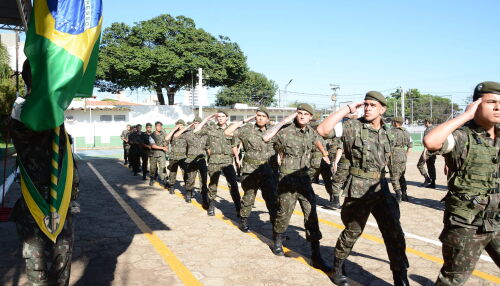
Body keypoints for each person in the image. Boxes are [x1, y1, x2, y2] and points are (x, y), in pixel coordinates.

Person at [317, 91, 409, 286]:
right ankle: (338, 267)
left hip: (381, 189)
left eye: (372, 105)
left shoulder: (390, 132)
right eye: (365, 104)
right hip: (358, 188)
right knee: (352, 231)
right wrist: (347, 109)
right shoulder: (352, 127)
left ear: (383, 109)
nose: (367, 108)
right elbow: (323, 130)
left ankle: (400, 276)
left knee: (395, 233)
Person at [8, 59, 79, 285]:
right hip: (34, 203)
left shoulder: (53, 112)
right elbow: (31, 128)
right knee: (37, 270)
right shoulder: (22, 110)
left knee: (62, 264)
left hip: (60, 203)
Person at [423, 81, 500, 286]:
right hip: (467, 223)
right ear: (476, 105)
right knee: (452, 279)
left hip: (497, 220)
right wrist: (466, 115)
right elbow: (432, 142)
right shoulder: (462, 135)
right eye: (491, 102)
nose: (498, 107)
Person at [263, 104, 331, 272]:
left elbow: (317, 141)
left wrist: (325, 154)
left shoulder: (311, 132)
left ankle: (316, 255)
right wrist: (284, 121)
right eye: (299, 113)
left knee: (311, 216)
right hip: (287, 179)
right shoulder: (286, 131)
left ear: (310, 118)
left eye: (305, 114)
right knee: (283, 213)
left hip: (304, 181)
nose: (301, 116)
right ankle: (277, 241)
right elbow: (266, 137)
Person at [224, 106, 278, 232]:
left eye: (263, 116)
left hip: (267, 170)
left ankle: (276, 225)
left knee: (271, 198)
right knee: (249, 196)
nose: (260, 118)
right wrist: (244, 121)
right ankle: (243, 220)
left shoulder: (272, 131)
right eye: (258, 115)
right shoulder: (247, 129)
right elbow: (227, 132)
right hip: (250, 170)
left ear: (268, 119)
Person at [193, 111, 241, 217]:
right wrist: (206, 120)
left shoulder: (231, 129)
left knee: (233, 185)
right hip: (214, 160)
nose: (220, 118)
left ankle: (238, 208)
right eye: (218, 116)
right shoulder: (211, 128)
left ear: (227, 118)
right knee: (213, 184)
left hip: (227, 160)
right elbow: (196, 132)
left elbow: (234, 145)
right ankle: (211, 206)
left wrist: (237, 158)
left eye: (223, 116)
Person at [174, 116, 209, 204]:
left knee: (203, 180)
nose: (197, 125)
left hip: (201, 160)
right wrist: (187, 127)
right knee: (190, 179)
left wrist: (210, 157)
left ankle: (204, 197)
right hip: (191, 160)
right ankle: (188, 192)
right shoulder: (188, 133)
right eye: (195, 123)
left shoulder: (205, 134)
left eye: (198, 123)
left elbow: (208, 147)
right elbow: (176, 135)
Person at [308, 121, 335, 208]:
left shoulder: (311, 136)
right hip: (325, 160)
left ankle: (306, 196)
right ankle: (333, 197)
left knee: (308, 180)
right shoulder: (324, 135)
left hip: (315, 160)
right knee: (328, 180)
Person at [389, 116, 413, 202]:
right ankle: (404, 194)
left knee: (394, 176)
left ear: (395, 122)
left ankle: (398, 195)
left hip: (394, 155)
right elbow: (410, 146)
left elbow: (387, 146)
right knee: (401, 176)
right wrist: (405, 155)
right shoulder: (406, 132)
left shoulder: (391, 131)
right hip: (403, 154)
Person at [165, 120, 188, 194]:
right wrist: (174, 129)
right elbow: (166, 138)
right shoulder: (172, 133)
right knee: (172, 172)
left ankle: (188, 188)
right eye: (178, 125)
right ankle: (171, 186)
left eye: (181, 125)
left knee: (185, 173)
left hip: (183, 157)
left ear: (184, 126)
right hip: (173, 157)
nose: (179, 126)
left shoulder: (186, 134)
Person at [417, 118, 437, 188]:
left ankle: (427, 179)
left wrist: (424, 152)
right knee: (431, 165)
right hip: (434, 150)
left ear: (428, 122)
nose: (424, 124)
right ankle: (433, 183)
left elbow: (426, 142)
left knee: (420, 165)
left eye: (425, 122)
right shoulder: (436, 128)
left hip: (428, 150)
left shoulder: (427, 130)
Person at [149, 121, 168, 187]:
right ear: (155, 127)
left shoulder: (163, 134)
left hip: (161, 153)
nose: (159, 127)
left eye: (160, 126)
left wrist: (166, 146)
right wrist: (163, 147)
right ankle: (152, 178)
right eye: (158, 126)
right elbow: (153, 146)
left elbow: (166, 141)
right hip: (153, 153)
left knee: (163, 167)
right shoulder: (152, 135)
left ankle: (164, 180)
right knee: (152, 168)